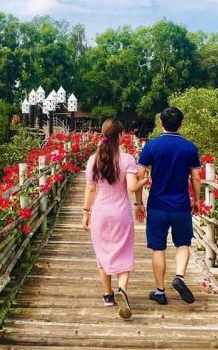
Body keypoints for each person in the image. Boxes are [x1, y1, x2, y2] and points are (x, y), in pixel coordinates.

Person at [135, 107, 202, 305]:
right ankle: (179, 277)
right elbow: (196, 178)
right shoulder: (189, 148)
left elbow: (139, 175)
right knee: (183, 243)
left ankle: (160, 291)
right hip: (181, 205)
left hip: (157, 204)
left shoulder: (152, 146)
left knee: (158, 248)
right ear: (181, 124)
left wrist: (139, 202)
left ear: (160, 123)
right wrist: (196, 200)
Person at [82, 118, 148, 319]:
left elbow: (90, 188)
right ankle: (122, 291)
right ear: (120, 136)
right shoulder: (127, 159)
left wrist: (85, 212)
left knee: (102, 254)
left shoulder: (93, 160)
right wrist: (145, 179)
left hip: (100, 213)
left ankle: (108, 295)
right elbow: (132, 187)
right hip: (121, 213)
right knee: (124, 251)